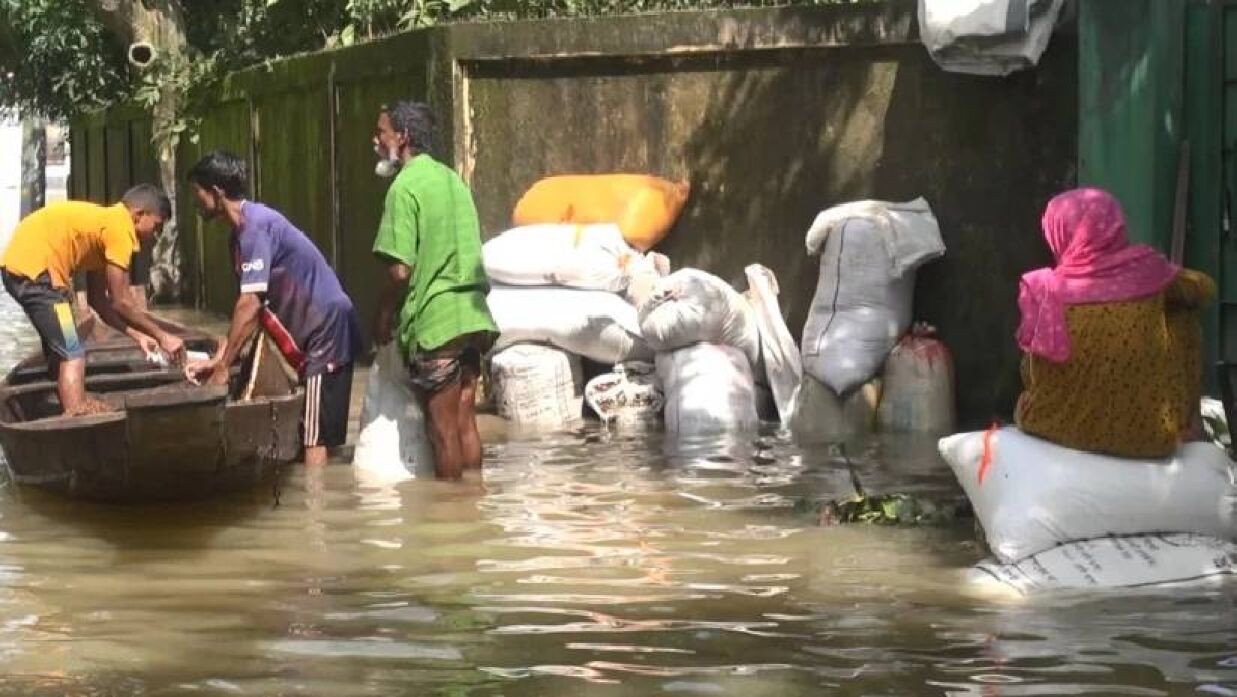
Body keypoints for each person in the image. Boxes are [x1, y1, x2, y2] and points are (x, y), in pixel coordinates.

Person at [183, 151, 360, 466]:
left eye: (197, 192)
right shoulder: (238, 238)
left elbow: (249, 304)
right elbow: (251, 313)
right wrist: (220, 359)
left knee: (314, 440)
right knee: (314, 430)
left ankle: (316, 507)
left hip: (326, 330)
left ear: (216, 191)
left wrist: (225, 367)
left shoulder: (256, 227)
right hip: (314, 334)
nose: (194, 201)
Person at [1014, 187, 1215, 458]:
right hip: (1148, 435)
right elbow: (1205, 290)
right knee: (1183, 317)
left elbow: (1030, 371)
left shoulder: (1042, 288)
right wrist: (1164, 284)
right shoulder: (1148, 272)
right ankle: (1190, 427)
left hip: (1050, 424)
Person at [371, 100, 498, 481]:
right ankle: (475, 504)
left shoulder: (404, 188)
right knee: (465, 425)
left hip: (436, 323)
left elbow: (399, 272)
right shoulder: (452, 180)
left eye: (381, 133)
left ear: (402, 138)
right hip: (474, 318)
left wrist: (383, 314)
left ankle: (451, 522)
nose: (375, 141)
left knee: (441, 433)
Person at [1, 186, 187, 416]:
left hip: (22, 270)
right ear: (138, 215)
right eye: (156, 226)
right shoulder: (121, 229)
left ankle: (64, 398)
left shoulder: (104, 226)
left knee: (61, 346)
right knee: (72, 348)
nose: (156, 234)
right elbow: (122, 301)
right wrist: (162, 336)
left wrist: (138, 336)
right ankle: (76, 411)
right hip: (39, 275)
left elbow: (99, 302)